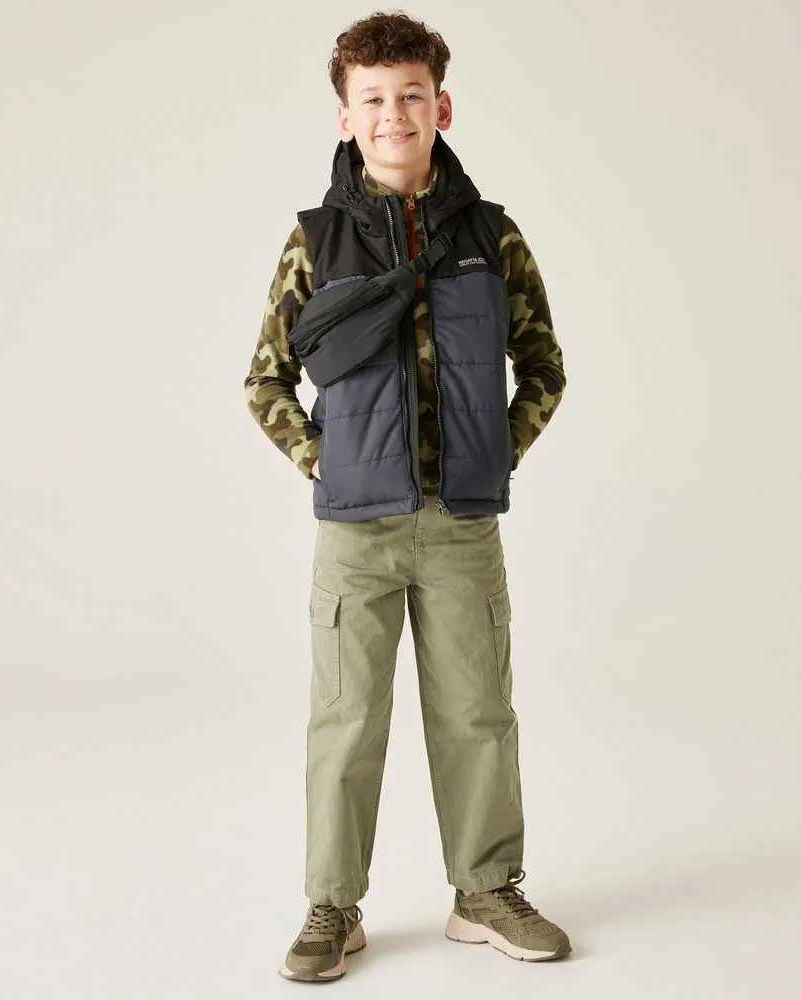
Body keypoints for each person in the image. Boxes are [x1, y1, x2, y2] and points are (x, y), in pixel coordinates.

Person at [244, 11, 570, 982]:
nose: (394, 114)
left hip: (462, 526)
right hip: (357, 532)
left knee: (479, 715)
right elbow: (265, 380)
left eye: (411, 96)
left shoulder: (490, 235)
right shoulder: (316, 241)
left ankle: (485, 891)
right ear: (346, 117)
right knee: (345, 722)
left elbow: (543, 364)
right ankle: (332, 906)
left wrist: (495, 451)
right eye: (374, 100)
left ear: (442, 107)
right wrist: (318, 458)